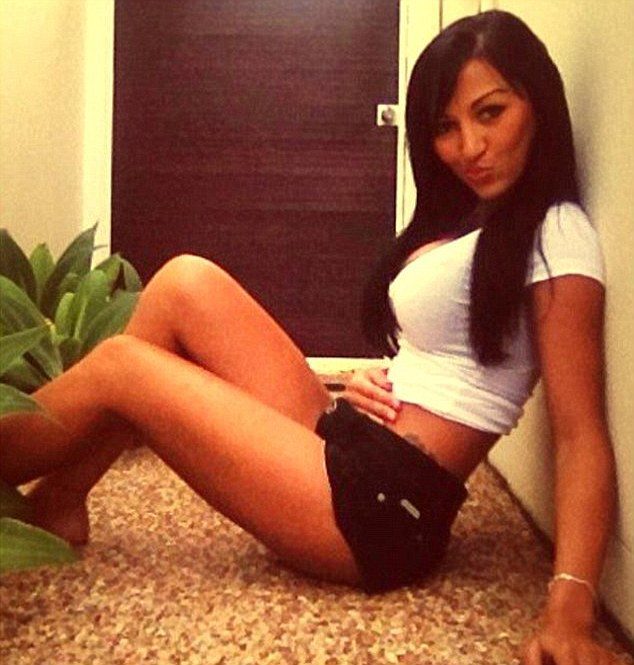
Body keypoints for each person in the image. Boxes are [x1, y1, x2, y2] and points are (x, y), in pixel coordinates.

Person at [0, 10, 621, 665]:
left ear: (538, 102)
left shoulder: (556, 233)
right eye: (445, 127)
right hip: (353, 443)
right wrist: (375, 381)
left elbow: (579, 434)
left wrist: (570, 611)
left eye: (491, 113)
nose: (469, 146)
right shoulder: (472, 221)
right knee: (184, 282)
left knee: (125, 366)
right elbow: (448, 359)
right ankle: (61, 501)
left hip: (382, 509)